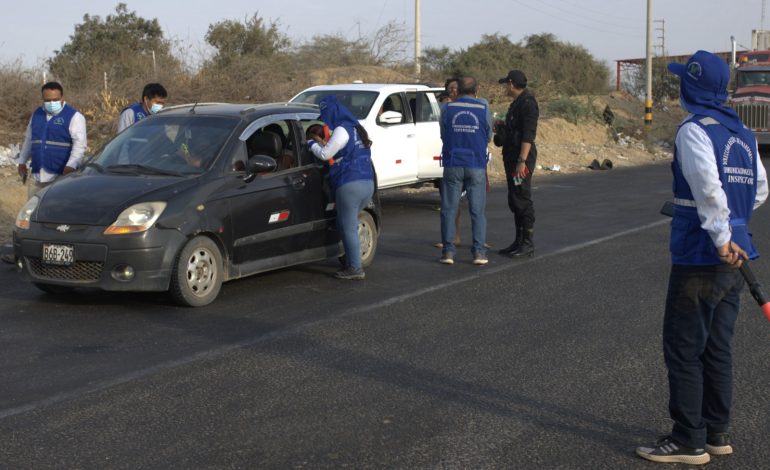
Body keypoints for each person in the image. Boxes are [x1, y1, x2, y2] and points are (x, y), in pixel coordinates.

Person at [635, 50, 768, 465]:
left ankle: (688, 439)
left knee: (683, 346)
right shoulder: (742, 134)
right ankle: (716, 431)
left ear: (690, 86)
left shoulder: (694, 131)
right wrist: (736, 229)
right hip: (736, 254)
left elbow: (709, 188)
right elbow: (760, 189)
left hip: (702, 254)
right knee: (717, 346)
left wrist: (721, 234)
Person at [308, 95, 375, 280]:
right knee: (346, 223)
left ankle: (355, 268)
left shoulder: (341, 130)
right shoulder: (356, 129)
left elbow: (325, 154)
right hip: (367, 183)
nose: (325, 120)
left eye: (325, 114)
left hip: (349, 184)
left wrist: (311, 144)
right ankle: (351, 259)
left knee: (348, 226)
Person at [438, 76, 491, 266]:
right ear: (475, 90)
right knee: (477, 211)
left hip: (453, 163)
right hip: (476, 163)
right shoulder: (483, 108)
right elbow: (488, 135)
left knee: (449, 209)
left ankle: (448, 253)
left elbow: (443, 134)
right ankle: (478, 253)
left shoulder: (447, 108)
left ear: (457, 90)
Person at [15, 81, 87, 199]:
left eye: (55, 100)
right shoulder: (36, 115)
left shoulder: (74, 117)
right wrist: (22, 161)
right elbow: (29, 140)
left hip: (60, 176)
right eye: (47, 100)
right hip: (37, 175)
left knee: (56, 211)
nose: (51, 103)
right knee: (33, 210)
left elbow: (79, 145)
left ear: (62, 98)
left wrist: (71, 165)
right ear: (42, 99)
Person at [494, 69, 539, 258]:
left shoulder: (528, 104)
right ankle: (518, 240)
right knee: (514, 198)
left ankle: (527, 243)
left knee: (521, 198)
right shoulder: (517, 104)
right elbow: (516, 131)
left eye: (506, 84)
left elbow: (528, 135)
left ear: (511, 84)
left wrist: (522, 161)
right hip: (512, 157)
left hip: (521, 159)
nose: (505, 87)